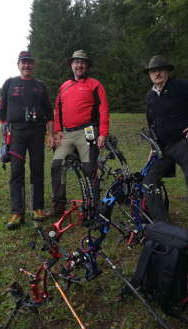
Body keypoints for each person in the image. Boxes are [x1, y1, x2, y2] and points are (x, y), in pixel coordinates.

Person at [143, 55, 188, 241]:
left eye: (160, 69)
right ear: (150, 75)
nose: (157, 73)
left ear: (167, 71)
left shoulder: (180, 86)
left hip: (186, 144)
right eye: (153, 71)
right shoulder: (150, 96)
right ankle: (162, 224)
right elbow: (152, 123)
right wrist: (153, 147)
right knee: (148, 180)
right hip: (163, 149)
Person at [0, 51, 54, 230]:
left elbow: (49, 113)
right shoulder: (10, 83)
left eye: (30, 62)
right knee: (16, 172)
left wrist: (50, 134)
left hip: (37, 132)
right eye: (23, 62)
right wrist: (5, 133)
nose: (26, 66)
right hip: (17, 134)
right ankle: (17, 212)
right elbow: (1, 109)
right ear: (18, 64)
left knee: (37, 170)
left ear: (34, 65)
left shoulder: (40, 86)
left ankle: (37, 208)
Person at [51, 50, 110, 217]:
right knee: (57, 165)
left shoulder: (95, 85)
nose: (79, 65)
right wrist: (57, 132)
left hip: (88, 131)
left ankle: (93, 207)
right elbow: (58, 111)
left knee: (90, 167)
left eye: (82, 62)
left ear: (87, 66)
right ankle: (58, 206)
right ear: (71, 65)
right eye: (76, 62)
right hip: (67, 134)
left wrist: (103, 133)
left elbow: (103, 110)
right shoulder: (64, 86)